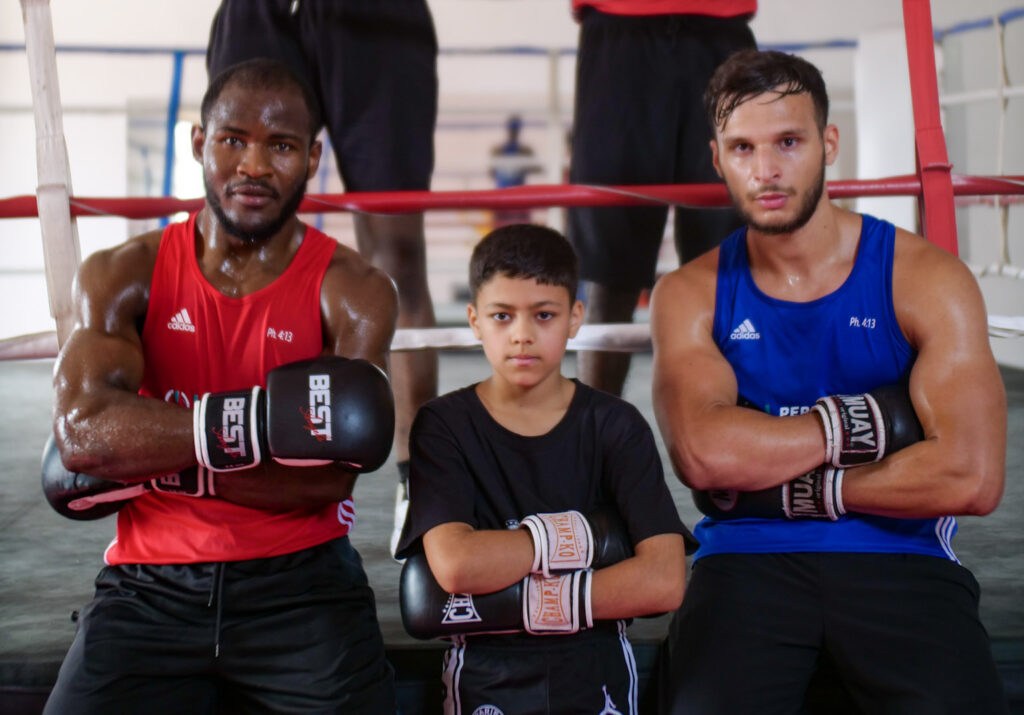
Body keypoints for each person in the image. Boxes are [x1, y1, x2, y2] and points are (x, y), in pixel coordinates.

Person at [649, 49, 1008, 713]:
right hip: (744, 561)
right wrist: (866, 424)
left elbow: (970, 476)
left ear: (828, 143)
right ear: (716, 157)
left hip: (905, 557)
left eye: (788, 141)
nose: (766, 170)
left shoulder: (925, 278)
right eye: (743, 147)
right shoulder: (691, 292)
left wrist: (798, 485)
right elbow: (706, 453)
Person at [42, 59, 400, 713]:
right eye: (234, 138)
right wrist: (265, 427)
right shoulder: (122, 273)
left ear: (314, 156)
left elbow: (327, 478)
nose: (255, 166)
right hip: (147, 586)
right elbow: (82, 436)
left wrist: (155, 460)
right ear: (199, 142)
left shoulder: (354, 292)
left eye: (281, 145)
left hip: (304, 583)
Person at [394, 224, 687, 714]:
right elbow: (457, 565)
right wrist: (589, 538)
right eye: (502, 316)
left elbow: (663, 579)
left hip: (598, 669)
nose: (523, 335)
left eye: (544, 315)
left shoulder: (615, 424)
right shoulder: (443, 426)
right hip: (487, 672)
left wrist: (517, 589)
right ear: (474, 320)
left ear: (575, 317)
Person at [205, 0, 440, 557]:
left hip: (376, 17)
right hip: (258, 10)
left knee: (399, 251)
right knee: (242, 228)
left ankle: (420, 483)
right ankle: (227, 461)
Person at [567, 0, 757, 398]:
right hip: (619, 29)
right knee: (609, 260)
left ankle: (726, 430)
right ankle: (592, 439)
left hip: (720, 26)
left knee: (727, 264)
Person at [488, 114, 542, 227]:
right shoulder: (498, 150)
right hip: (504, 198)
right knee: (504, 229)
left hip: (517, 197)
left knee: (518, 229)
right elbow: (491, 172)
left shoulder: (523, 150)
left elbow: (538, 169)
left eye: (515, 129)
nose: (513, 132)